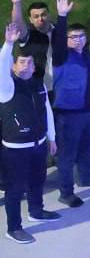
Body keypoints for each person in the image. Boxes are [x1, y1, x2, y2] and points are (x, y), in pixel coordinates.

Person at [2, 22, 60, 245]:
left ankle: (36, 211)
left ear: (34, 67)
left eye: (29, 62)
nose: (26, 65)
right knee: (15, 189)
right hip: (15, 150)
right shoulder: (6, 88)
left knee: (38, 181)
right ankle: (13, 228)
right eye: (21, 62)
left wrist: (51, 138)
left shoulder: (39, 85)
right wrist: (8, 44)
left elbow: (47, 112)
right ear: (13, 66)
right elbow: (0, 67)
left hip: (38, 145)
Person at [49, 0, 90, 208]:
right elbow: (58, 42)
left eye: (81, 36)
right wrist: (62, 16)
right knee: (67, 155)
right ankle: (66, 193)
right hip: (68, 114)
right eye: (72, 37)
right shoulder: (61, 56)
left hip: (88, 111)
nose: (78, 40)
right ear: (65, 40)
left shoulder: (86, 53)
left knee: (86, 148)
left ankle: (86, 177)